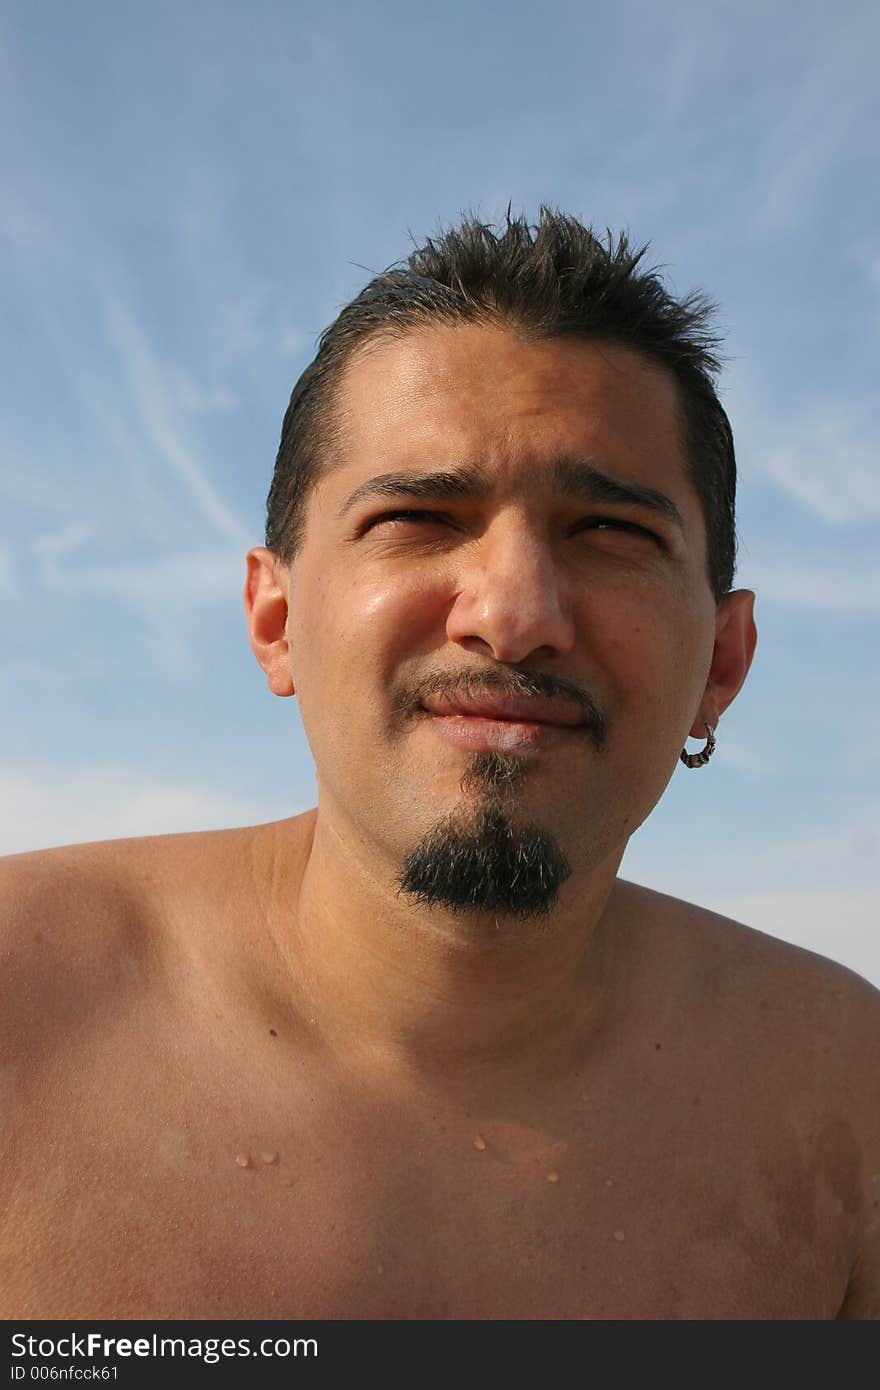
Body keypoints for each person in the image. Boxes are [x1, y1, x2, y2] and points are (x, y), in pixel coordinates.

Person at [2, 209, 877, 1322]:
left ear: (725, 659)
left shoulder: (843, 1106)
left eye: (611, 532)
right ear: (274, 621)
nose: (513, 616)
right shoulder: (22, 1006)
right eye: (419, 515)